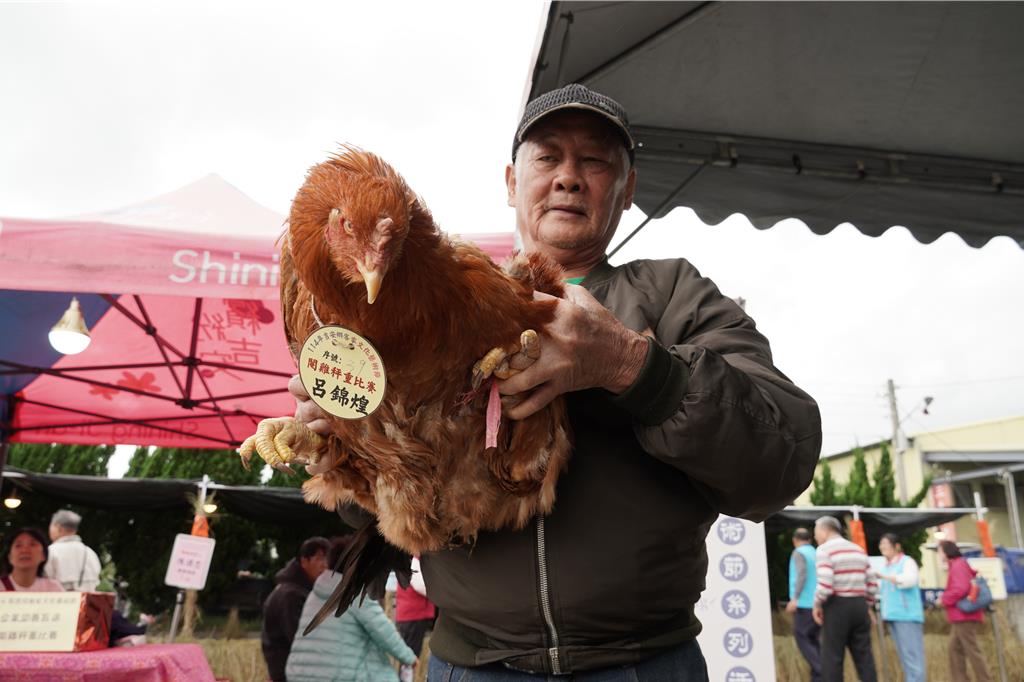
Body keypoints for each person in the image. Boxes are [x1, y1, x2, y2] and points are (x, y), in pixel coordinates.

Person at [289, 83, 822, 679]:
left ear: (627, 191)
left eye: (595, 160)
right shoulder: (427, 308)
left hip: (644, 664)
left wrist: (633, 367)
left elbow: (782, 460)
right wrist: (348, 444)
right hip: (472, 665)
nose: (569, 177)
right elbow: (375, 516)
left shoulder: (673, 294)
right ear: (513, 182)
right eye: (547, 157)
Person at [286, 538, 417, 682]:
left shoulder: (315, 593)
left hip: (300, 672)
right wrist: (408, 658)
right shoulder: (353, 594)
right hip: (338, 675)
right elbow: (383, 630)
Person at [812, 516, 877, 682]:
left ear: (825, 530)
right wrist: (867, 606)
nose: (815, 537)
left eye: (816, 533)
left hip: (837, 607)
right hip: (859, 606)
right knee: (865, 659)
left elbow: (826, 586)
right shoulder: (858, 549)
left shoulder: (824, 550)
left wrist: (817, 604)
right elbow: (872, 584)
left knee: (832, 659)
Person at [262, 536, 330, 682]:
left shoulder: (299, 590)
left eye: (327, 560)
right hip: (289, 671)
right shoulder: (291, 595)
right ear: (304, 562)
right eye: (319, 559)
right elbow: (300, 639)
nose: (324, 565)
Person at [938, 540, 992, 682]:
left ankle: (984, 679)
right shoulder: (958, 565)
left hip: (964, 616)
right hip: (961, 616)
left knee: (972, 651)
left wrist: (944, 599)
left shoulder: (958, 565)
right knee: (955, 650)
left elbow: (960, 589)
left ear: (946, 551)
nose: (939, 555)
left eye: (940, 551)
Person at [877, 533, 925, 682]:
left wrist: (887, 577)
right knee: (904, 657)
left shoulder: (907, 561)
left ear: (897, 546)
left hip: (907, 616)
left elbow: (910, 580)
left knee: (913, 657)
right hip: (892, 615)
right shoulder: (886, 565)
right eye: (881, 544)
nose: (882, 547)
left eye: (886, 543)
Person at [786, 527, 821, 682]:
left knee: (802, 636)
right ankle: (819, 675)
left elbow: (802, 574)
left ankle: (821, 670)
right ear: (810, 539)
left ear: (795, 540)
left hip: (805, 603)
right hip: (818, 603)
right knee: (815, 639)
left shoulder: (799, 553)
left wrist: (795, 598)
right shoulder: (816, 553)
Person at [44, 509, 102, 591]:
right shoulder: (90, 552)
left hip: (58, 602)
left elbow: (44, 579)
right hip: (86, 603)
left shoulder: (51, 551)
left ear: (58, 527)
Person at [394, 555, 435, 658]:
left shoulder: (412, 560)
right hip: (413, 615)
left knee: (411, 651)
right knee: (411, 654)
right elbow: (420, 586)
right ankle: (407, 674)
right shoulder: (414, 561)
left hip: (412, 615)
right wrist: (438, 593)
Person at [1, 527, 64, 592]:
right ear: (9, 557)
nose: (24, 550)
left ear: (43, 555)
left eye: (32, 544)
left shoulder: (53, 588)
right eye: (18, 545)